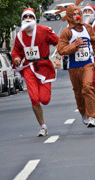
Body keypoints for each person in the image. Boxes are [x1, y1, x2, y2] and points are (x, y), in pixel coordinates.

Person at [11, 8, 61, 137]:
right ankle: (42, 126)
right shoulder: (20, 36)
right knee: (34, 98)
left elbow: (59, 42)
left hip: (44, 67)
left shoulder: (44, 31)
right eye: (25, 17)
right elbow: (16, 51)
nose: (28, 18)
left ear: (34, 19)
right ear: (22, 20)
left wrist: (58, 58)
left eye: (30, 16)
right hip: (29, 68)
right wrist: (16, 58)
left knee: (44, 100)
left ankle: (42, 123)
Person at [56, 0, 95, 128]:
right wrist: (75, 46)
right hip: (73, 66)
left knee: (88, 87)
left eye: (78, 13)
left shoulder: (87, 28)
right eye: (74, 14)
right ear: (69, 16)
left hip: (87, 63)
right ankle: (83, 112)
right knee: (78, 92)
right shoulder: (66, 32)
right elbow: (61, 49)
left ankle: (92, 116)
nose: (77, 16)